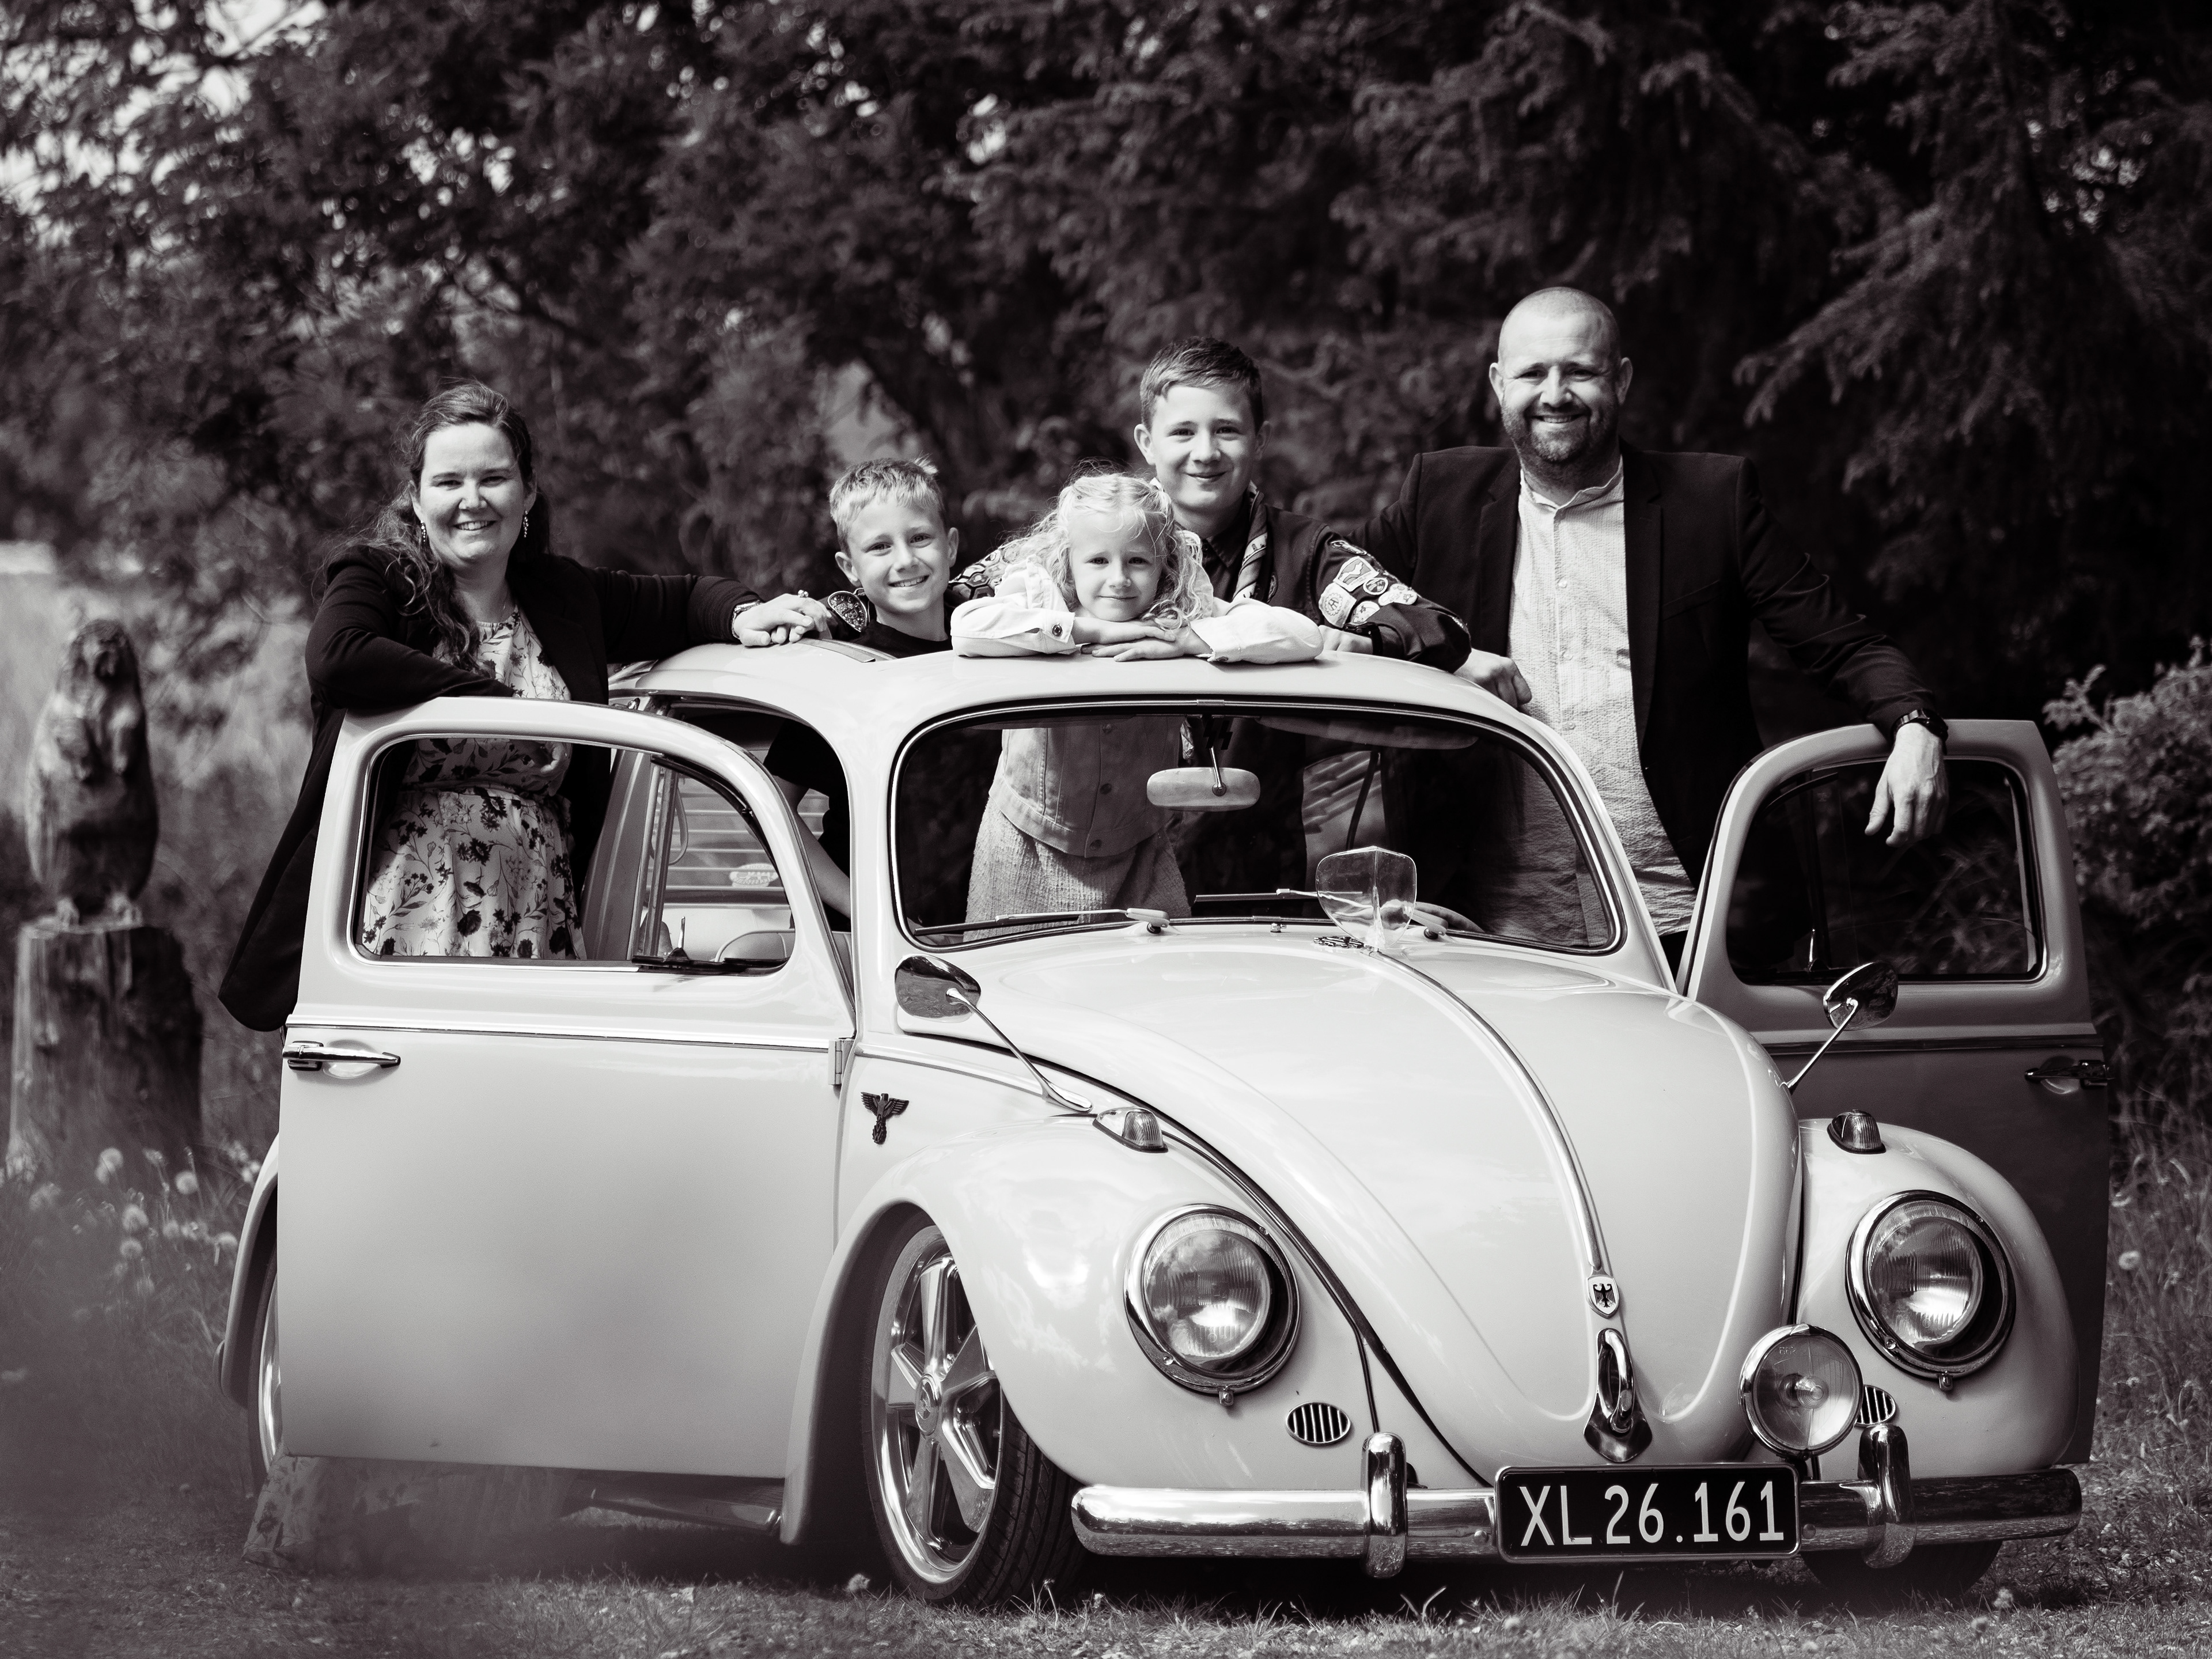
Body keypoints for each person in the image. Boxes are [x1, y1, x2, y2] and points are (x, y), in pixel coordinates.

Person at [1352, 286, 1949, 971]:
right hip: (1485, 924)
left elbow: (1844, 643)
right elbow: (1326, 587)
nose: (1555, 394)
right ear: (1498, 384)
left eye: (1580, 371)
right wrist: (1445, 652)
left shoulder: (1713, 503)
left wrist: (1914, 725)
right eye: (1532, 373)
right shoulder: (1439, 496)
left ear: (1622, 380)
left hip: (1682, 918)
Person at [218, 381, 758, 1029]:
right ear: (416, 497)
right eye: (449, 482)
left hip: (538, 911)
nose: (471, 500)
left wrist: (746, 613)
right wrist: (490, 700)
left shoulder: (562, 595)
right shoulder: (378, 580)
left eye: (494, 478)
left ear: (527, 493)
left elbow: (686, 601)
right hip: (405, 920)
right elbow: (338, 656)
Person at [951, 472, 1321, 922]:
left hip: (1139, 852)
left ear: (1164, 564)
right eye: (1098, 560)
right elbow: (966, 629)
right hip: (1028, 844)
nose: (1119, 579)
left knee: (1149, 961)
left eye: (1138, 561)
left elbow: (1305, 637)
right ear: (1068, 560)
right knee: (1017, 961)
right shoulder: (1040, 598)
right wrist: (1087, 630)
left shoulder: (1177, 615)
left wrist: (1188, 639)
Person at [737, 458, 961, 923]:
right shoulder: (844, 672)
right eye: (880, 547)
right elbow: (768, 803)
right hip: (860, 935)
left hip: (982, 924)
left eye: (921, 537)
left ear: (952, 545)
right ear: (850, 568)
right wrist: (864, 910)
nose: (906, 560)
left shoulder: (992, 643)